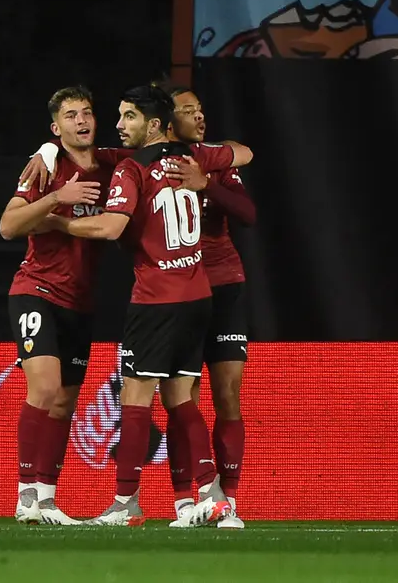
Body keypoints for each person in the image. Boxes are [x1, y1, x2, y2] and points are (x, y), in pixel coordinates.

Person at [50, 84, 253, 526]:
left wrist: (56, 222)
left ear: (154, 123)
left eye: (129, 117)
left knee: (136, 400)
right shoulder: (192, 158)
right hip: (198, 296)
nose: (119, 125)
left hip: (156, 299)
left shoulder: (131, 169)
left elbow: (109, 227)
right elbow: (243, 153)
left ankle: (126, 504)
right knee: (181, 398)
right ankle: (213, 496)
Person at [0, 86, 118, 525]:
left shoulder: (113, 165)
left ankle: (45, 500)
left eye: (87, 112)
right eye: (70, 116)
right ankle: (25, 493)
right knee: (45, 388)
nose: (81, 120)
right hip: (36, 290)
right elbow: (8, 225)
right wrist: (54, 198)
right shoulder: (45, 168)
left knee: (65, 402)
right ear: (56, 127)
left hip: (81, 301)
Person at [158, 83, 255, 529]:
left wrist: (205, 186)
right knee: (182, 395)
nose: (199, 116)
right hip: (178, 288)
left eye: (201, 109)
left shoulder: (212, 159)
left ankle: (228, 501)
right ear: (166, 120)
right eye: (188, 110)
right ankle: (186, 500)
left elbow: (248, 212)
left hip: (225, 283)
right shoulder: (152, 162)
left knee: (227, 394)